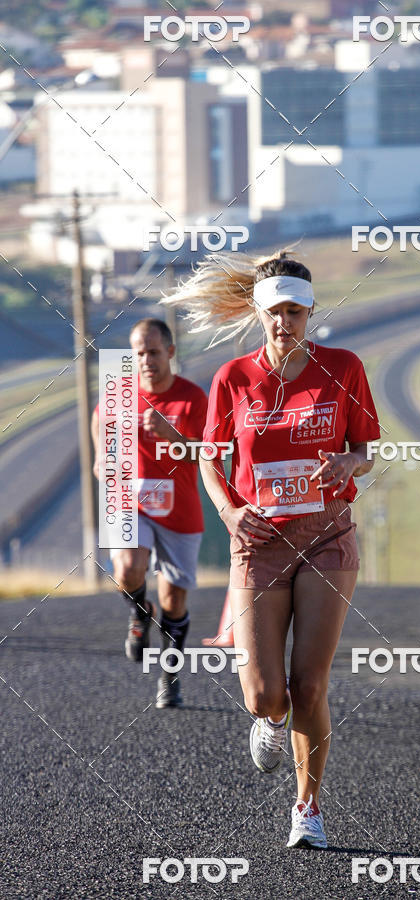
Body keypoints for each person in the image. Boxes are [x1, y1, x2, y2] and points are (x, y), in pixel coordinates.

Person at [163, 249, 380, 849]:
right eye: (275, 312)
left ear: (310, 311)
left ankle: (307, 809)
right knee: (266, 692)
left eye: (295, 310)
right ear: (259, 313)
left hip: (329, 535)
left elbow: (367, 449)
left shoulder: (344, 367)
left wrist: (349, 460)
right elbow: (210, 458)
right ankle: (270, 717)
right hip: (259, 543)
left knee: (310, 685)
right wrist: (231, 513)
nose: (285, 322)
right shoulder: (234, 378)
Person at [92, 318, 207, 708]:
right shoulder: (119, 391)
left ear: (170, 353)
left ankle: (169, 675)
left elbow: (205, 456)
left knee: (174, 601)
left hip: (180, 508)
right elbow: (99, 420)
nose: (145, 360)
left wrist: (170, 435)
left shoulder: (192, 398)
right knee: (126, 569)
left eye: (153, 352)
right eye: (138, 353)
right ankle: (140, 613)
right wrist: (99, 457)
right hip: (131, 500)